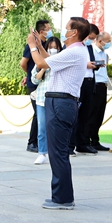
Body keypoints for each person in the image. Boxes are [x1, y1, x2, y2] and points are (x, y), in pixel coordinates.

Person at [26, 16, 90, 210]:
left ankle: (63, 199)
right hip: (60, 101)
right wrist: (39, 45)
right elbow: (50, 61)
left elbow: (41, 63)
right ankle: (61, 196)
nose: (64, 31)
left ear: (74, 32)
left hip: (61, 102)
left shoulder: (75, 51)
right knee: (57, 152)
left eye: (67, 28)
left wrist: (32, 46)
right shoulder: (74, 51)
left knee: (58, 153)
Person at [20, 19, 52, 153]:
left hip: (45, 82)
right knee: (38, 113)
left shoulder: (47, 45)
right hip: (35, 83)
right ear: (41, 31)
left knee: (42, 113)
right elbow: (23, 63)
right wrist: (29, 75)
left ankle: (41, 142)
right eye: (48, 29)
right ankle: (32, 142)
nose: (50, 31)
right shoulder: (32, 45)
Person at [30, 36, 63, 165]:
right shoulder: (40, 61)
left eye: (55, 48)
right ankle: (42, 153)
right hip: (41, 98)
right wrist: (43, 67)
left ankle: (56, 152)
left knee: (56, 127)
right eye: (50, 47)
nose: (53, 50)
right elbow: (34, 80)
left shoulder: (61, 61)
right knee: (42, 127)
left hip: (56, 98)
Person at [71, 23, 99, 156]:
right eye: (90, 37)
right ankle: (69, 145)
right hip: (79, 82)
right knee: (75, 114)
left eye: (93, 39)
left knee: (85, 115)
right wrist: (85, 64)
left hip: (89, 81)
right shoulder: (75, 46)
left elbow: (90, 62)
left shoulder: (89, 47)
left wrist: (95, 65)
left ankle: (82, 143)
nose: (91, 40)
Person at [87, 32, 112, 151]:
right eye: (108, 41)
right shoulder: (91, 51)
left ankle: (95, 140)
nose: (109, 44)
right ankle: (87, 140)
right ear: (100, 41)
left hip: (103, 85)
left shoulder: (104, 54)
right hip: (95, 84)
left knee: (100, 114)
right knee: (92, 113)